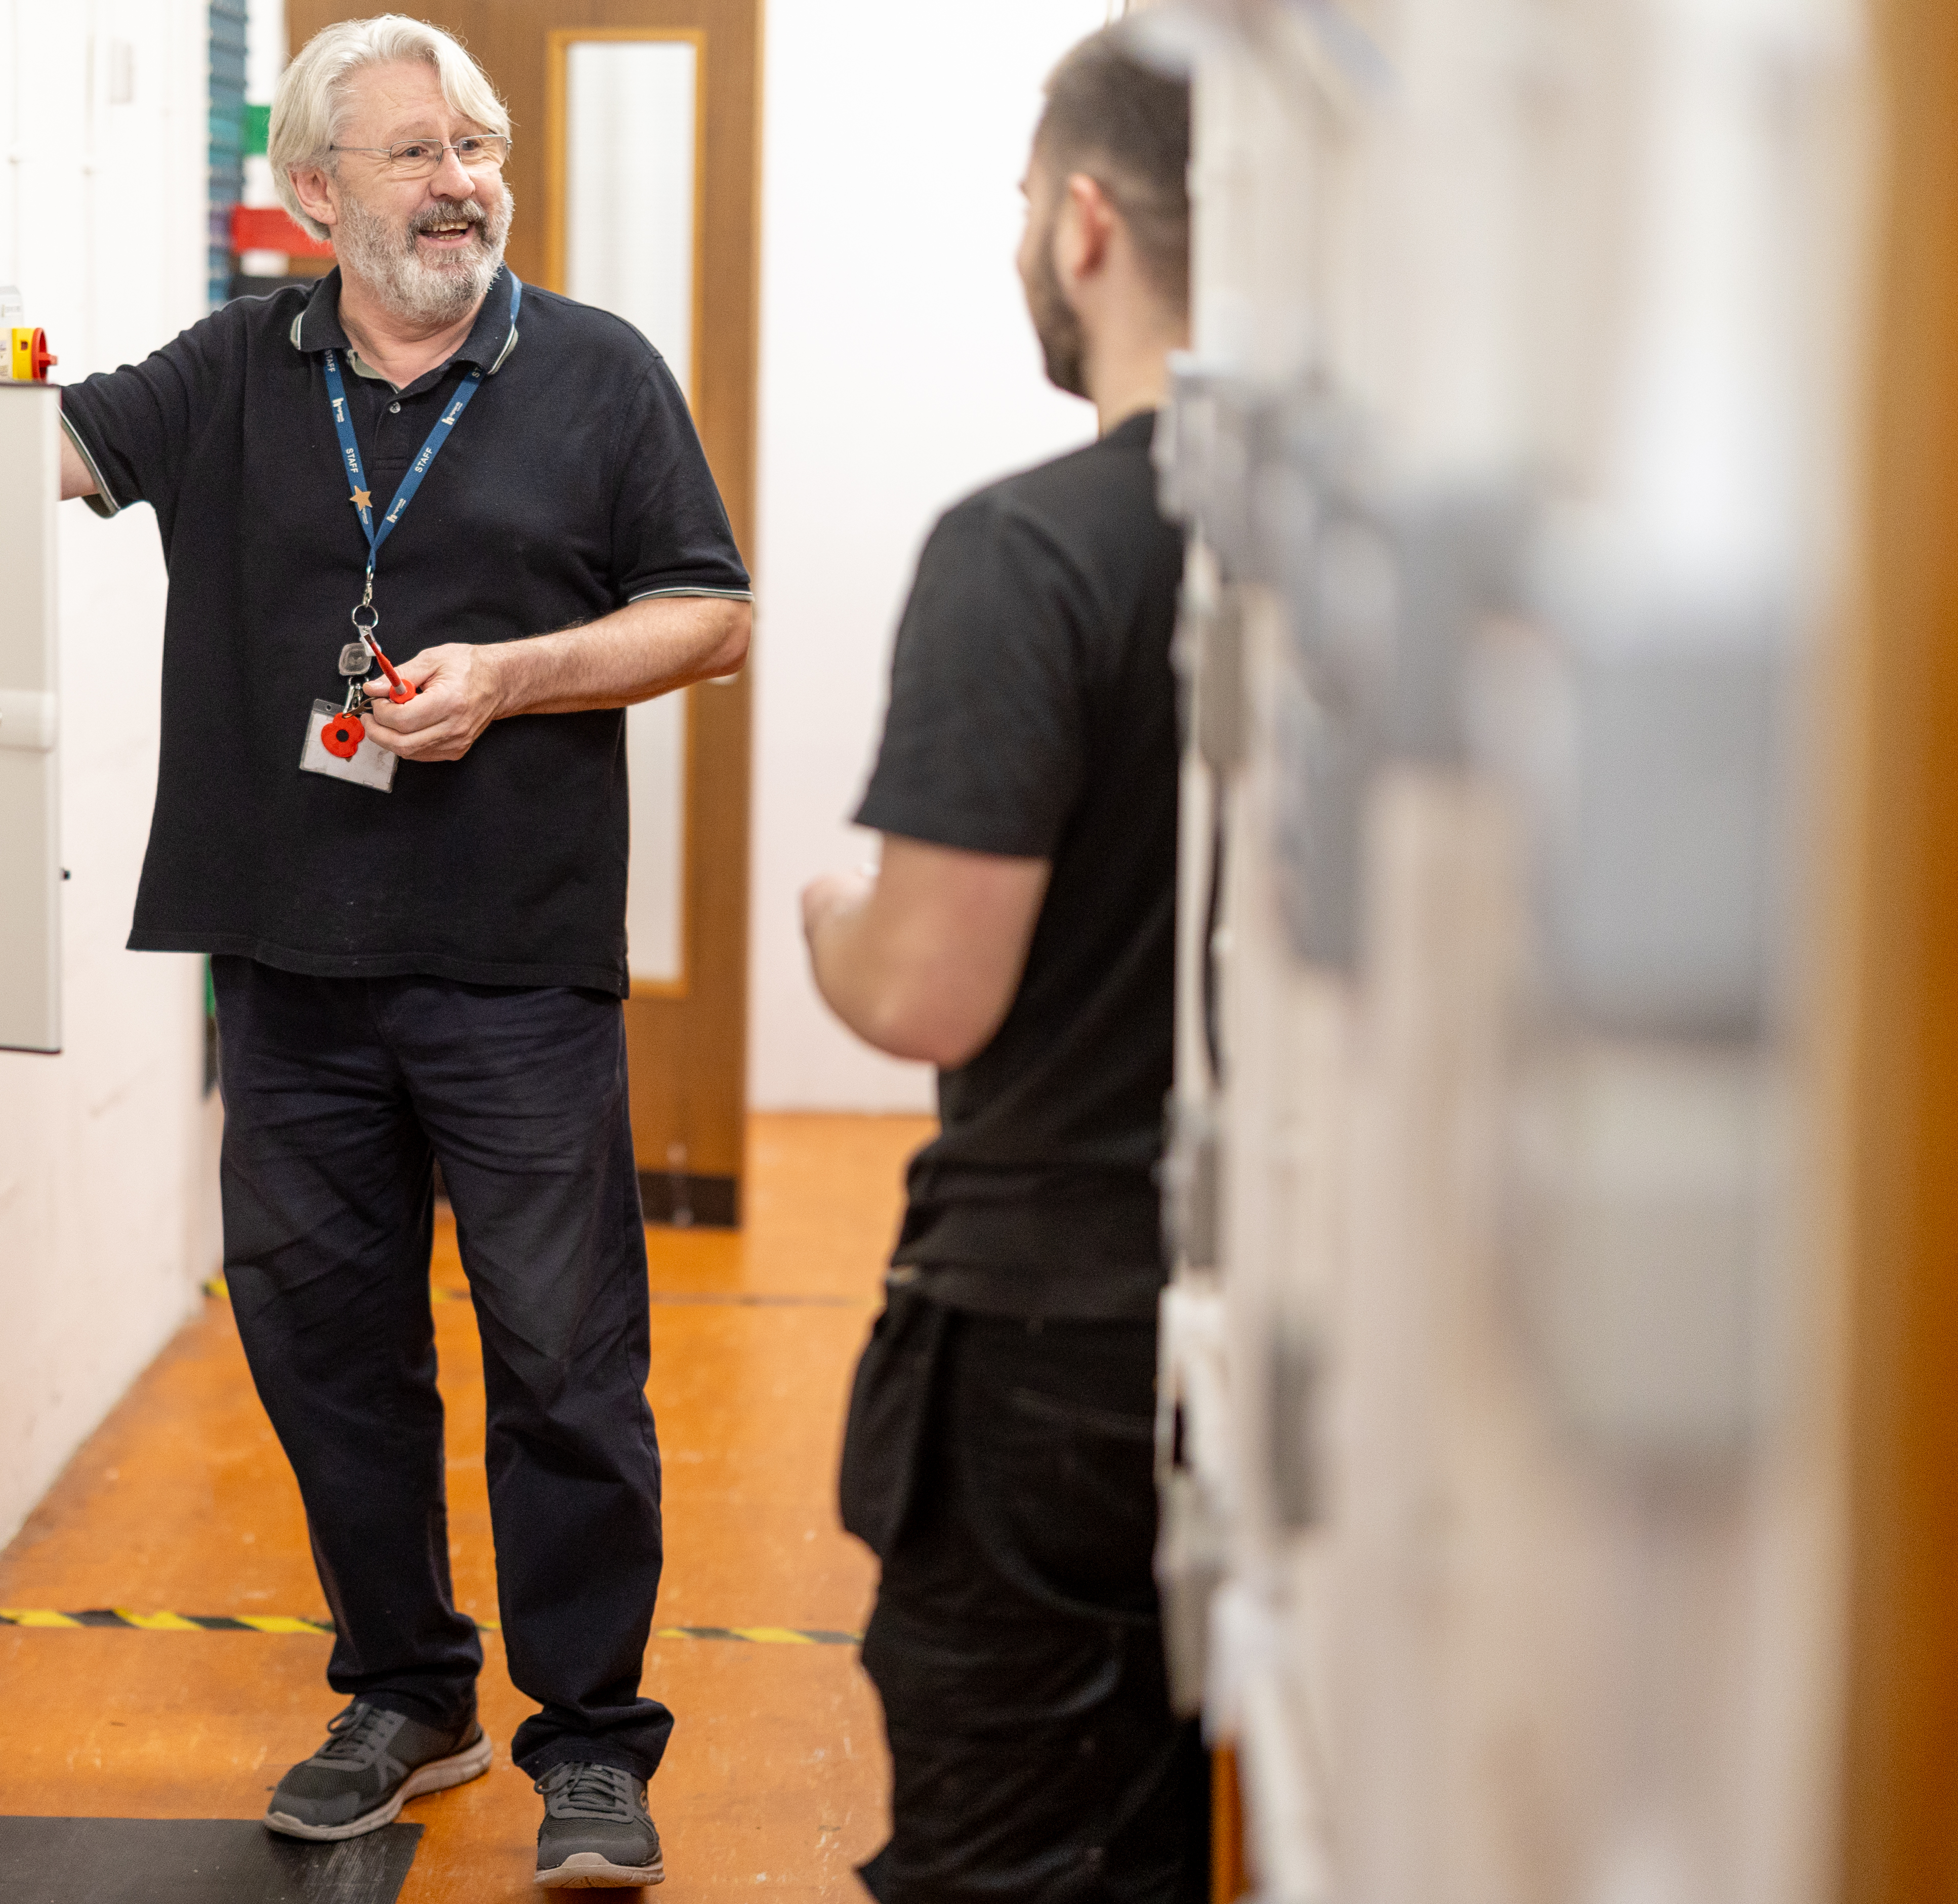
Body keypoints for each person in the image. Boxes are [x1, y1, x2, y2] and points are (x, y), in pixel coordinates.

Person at [0, 14, 750, 1890]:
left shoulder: (596, 374)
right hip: (288, 968)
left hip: (517, 970)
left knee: (563, 1359)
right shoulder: (237, 370)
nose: (465, 180)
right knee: (320, 1352)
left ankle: (591, 1741)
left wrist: (517, 681)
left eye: (480, 145)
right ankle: (405, 1688)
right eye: (416, 152)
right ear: (311, 197)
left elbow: (708, 614)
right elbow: (43, 449)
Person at [799, 25, 1210, 1903]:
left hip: (1057, 1342)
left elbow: (925, 991)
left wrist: (828, 930)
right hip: (1293, 1328)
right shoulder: (1325, 542)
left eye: (1027, 203)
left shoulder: (1024, 555)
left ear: (1088, 224)